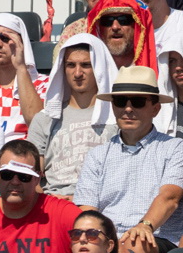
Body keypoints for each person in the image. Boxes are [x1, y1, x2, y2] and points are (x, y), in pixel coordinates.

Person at [75, 64, 183, 253]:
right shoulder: (97, 154)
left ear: (155, 108)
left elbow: (170, 197)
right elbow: (87, 209)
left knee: (137, 245)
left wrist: (145, 225)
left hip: (157, 237)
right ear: (113, 107)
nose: (128, 108)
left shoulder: (176, 147)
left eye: (137, 102)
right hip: (108, 238)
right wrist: (103, 238)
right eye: (121, 101)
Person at [27, 35, 118, 200]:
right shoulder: (44, 119)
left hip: (101, 203)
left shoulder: (116, 117)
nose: (77, 73)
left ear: (99, 68)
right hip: (54, 204)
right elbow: (31, 176)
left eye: (85, 65)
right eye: (70, 65)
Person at [0, 14, 48, 168]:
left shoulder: (45, 83)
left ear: (21, 42)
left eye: (5, 38)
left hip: (25, 170)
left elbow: (38, 125)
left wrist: (21, 68)